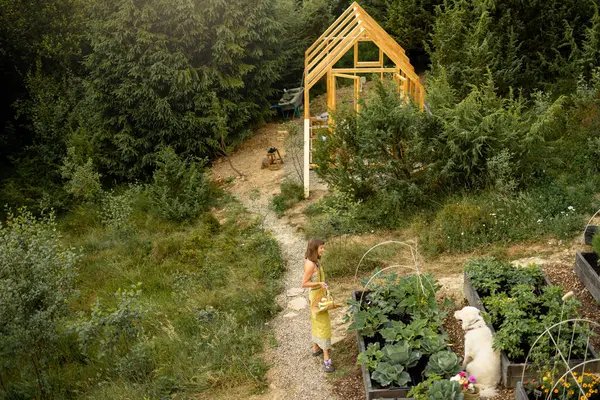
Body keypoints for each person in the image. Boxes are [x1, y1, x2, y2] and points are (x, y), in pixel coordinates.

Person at [301, 238, 335, 373]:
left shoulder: (314, 261)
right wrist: (319, 284)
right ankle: (327, 360)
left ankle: (316, 348)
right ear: (315, 249)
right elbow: (304, 283)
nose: (323, 250)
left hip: (317, 294)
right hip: (316, 296)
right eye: (321, 248)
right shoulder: (310, 264)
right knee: (323, 324)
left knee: (316, 322)